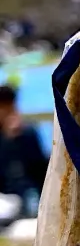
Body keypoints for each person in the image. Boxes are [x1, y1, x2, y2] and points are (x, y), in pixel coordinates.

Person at [0, 85, 48, 217]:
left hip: (25, 193)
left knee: (31, 202)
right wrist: (6, 141)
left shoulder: (27, 132)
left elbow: (39, 167)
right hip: (4, 195)